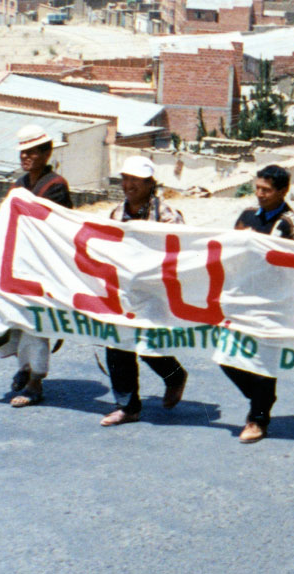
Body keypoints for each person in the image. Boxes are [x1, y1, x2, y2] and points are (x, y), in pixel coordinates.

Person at [0, 124, 74, 408]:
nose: (26, 157)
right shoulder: (19, 186)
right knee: (15, 318)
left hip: (43, 267)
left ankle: (36, 380)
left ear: (46, 153)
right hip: (18, 264)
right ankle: (24, 368)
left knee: (37, 322)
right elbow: (5, 224)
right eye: (23, 152)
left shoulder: (55, 186)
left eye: (32, 151)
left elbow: (49, 227)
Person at [99, 156, 188, 427]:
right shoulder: (116, 214)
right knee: (117, 342)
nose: (128, 185)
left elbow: (183, 251)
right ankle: (127, 406)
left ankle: (174, 376)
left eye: (135, 180)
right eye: (126, 179)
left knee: (149, 344)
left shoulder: (168, 216)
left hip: (156, 290)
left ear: (150, 184)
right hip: (125, 290)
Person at [221, 164, 294, 442]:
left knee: (263, 361)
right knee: (227, 356)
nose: (259, 194)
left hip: (272, 302)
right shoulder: (246, 216)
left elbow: (289, 264)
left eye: (266, 190)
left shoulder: (290, 223)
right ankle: (261, 397)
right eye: (257, 188)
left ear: (283, 191)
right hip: (242, 297)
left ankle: (258, 419)